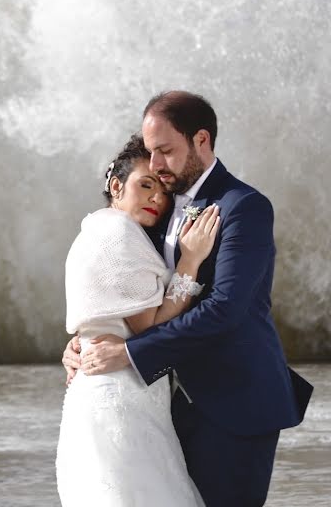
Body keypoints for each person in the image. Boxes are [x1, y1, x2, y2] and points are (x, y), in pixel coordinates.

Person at [62, 91, 313, 506]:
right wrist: (84, 342)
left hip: (236, 401)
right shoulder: (154, 207)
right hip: (166, 402)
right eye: (150, 152)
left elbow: (224, 311)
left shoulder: (243, 207)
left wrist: (129, 352)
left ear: (201, 140)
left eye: (166, 151)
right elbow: (125, 287)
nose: (156, 165)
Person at [56, 134, 218, 506]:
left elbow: (100, 313)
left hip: (96, 390)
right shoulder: (119, 230)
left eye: (162, 193)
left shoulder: (93, 230)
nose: (156, 199)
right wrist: (189, 261)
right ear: (116, 186)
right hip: (121, 392)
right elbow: (150, 325)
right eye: (145, 185)